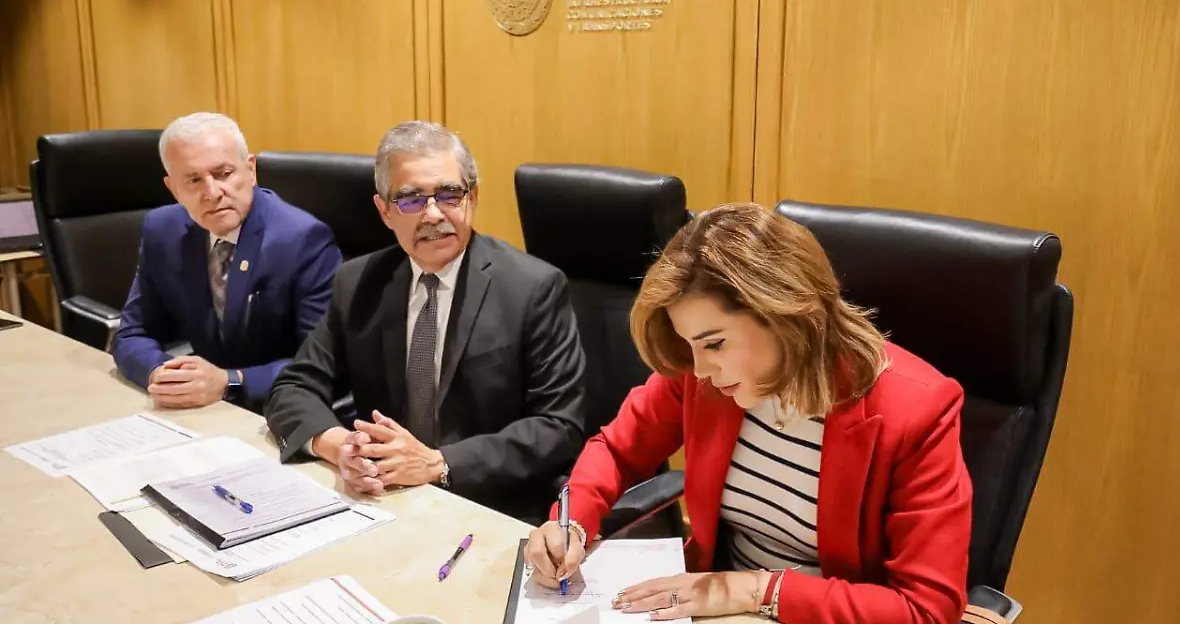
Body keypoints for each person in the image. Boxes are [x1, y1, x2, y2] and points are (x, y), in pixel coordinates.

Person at [525, 203, 972, 622]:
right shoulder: (703, 376)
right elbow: (618, 449)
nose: (700, 369)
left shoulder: (917, 410)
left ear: (785, 315)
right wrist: (572, 523)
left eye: (715, 344)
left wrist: (758, 589)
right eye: (690, 345)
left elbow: (927, 609)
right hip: (718, 606)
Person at [265, 120, 587, 523]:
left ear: (473, 197)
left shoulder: (532, 287)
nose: (433, 214)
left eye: (449, 195)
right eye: (410, 200)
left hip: (488, 507)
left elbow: (559, 427)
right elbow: (293, 387)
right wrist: (340, 446)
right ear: (384, 211)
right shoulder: (359, 282)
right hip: (384, 501)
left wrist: (438, 463)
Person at [112, 112, 342, 414]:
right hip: (200, 410)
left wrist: (229, 381)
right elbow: (132, 333)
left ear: (251, 170)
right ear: (173, 189)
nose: (212, 193)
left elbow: (323, 364)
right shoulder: (163, 230)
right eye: (193, 180)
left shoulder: (302, 239)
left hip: (278, 410)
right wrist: (161, 374)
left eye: (223, 174)